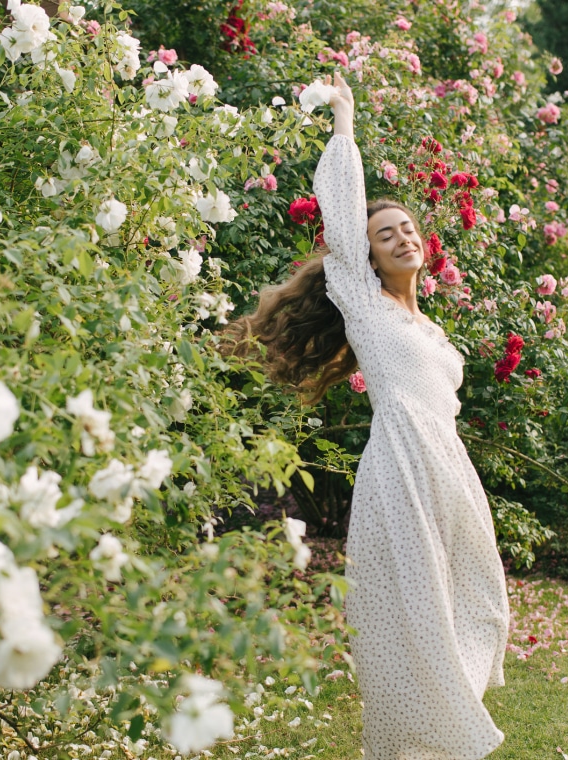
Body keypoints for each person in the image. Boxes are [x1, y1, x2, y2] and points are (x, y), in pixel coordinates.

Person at [228, 72, 511, 759]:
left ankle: (439, 724)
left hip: (448, 469)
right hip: (401, 466)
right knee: (414, 608)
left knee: (479, 601)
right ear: (370, 255)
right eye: (387, 235)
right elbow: (345, 206)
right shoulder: (363, 301)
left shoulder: (434, 332)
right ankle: (420, 739)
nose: (403, 238)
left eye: (409, 228)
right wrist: (345, 122)